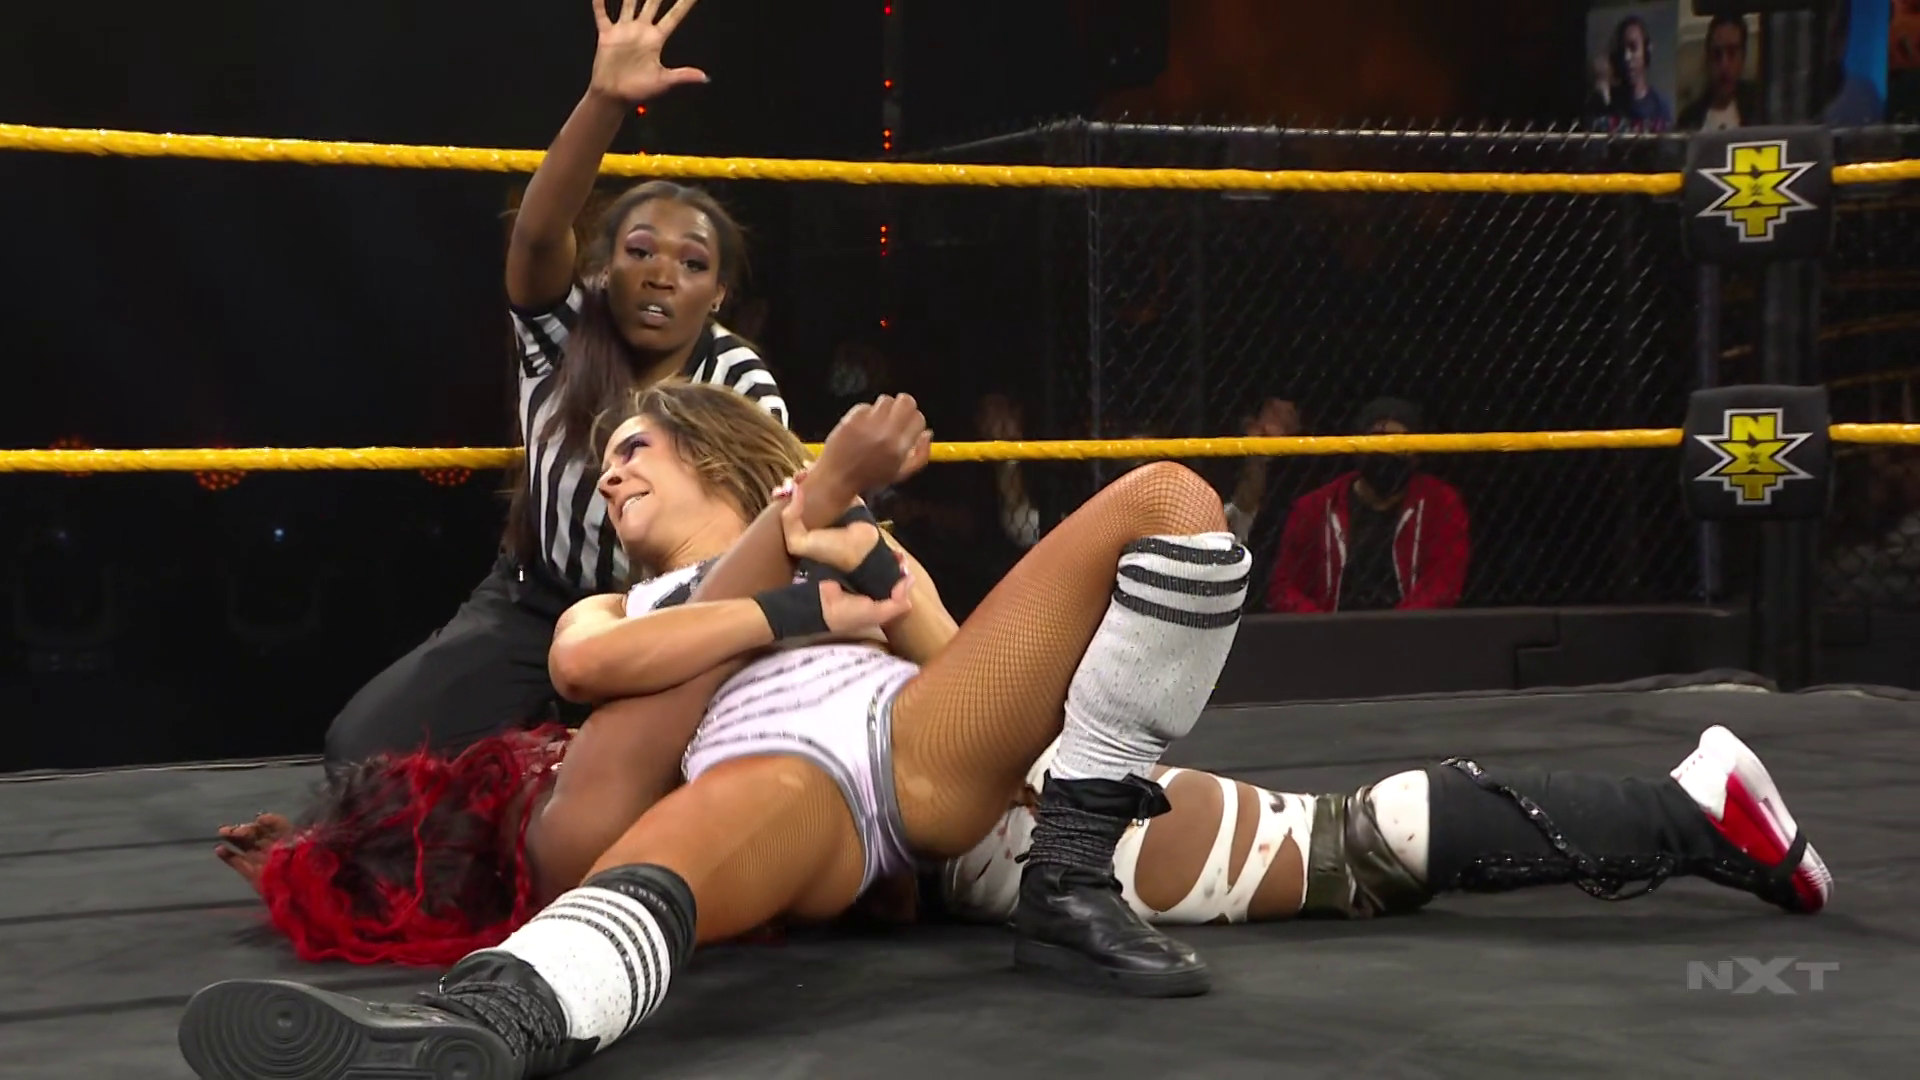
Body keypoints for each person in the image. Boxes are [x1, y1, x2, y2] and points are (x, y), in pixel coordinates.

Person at [183, 388, 1830, 1080]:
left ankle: (1690, 808)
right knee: (748, 798)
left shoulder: (859, 553)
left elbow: (971, 676)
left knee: (1336, 809)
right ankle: (487, 1033)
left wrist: (883, 596)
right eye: (601, 457)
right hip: (816, 797)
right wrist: (799, 574)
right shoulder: (622, 603)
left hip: (969, 786)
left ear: (712, 448)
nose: (608, 474)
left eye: (636, 449)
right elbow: (611, 681)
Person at [322, 0, 788, 770]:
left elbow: (773, 522)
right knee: (364, 749)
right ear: (604, 269)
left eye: (692, 264)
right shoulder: (562, 334)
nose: (662, 275)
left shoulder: (736, 377)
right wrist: (605, 100)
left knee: (684, 771)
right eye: (641, 250)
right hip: (538, 600)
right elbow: (538, 234)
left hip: (679, 613)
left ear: (718, 295)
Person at [1266, 397, 1468, 613]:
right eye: (1378, 440)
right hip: (1333, 627)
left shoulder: (1440, 503)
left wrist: (1396, 626)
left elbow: (1443, 583)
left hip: (1409, 628)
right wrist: (1325, 625)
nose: (1387, 450)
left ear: (1416, 455)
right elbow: (1284, 588)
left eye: (1399, 443)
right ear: (1359, 447)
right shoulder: (1316, 507)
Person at [1678, 15, 1760, 131]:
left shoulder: (1759, 108)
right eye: (1717, 54)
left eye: (1732, 53)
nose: (1724, 65)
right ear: (1708, 58)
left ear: (1743, 57)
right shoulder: (1689, 119)